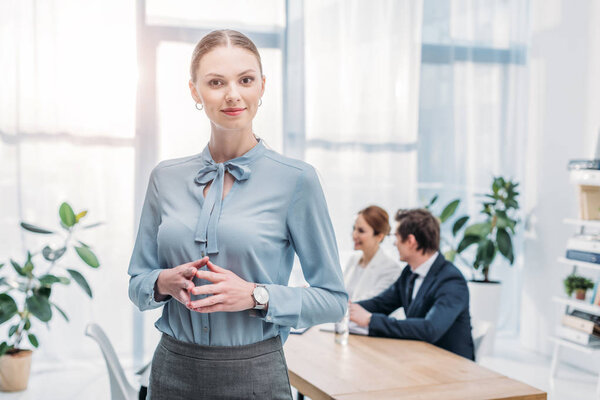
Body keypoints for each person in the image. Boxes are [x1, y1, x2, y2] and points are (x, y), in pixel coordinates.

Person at [128, 29, 347, 400]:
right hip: (172, 370)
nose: (233, 94)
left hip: (256, 374)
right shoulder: (164, 177)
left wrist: (256, 295)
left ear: (262, 86)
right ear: (195, 91)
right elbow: (137, 284)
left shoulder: (297, 181)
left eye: (245, 80)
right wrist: (164, 282)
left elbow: (334, 300)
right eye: (216, 82)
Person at [349, 208, 475, 360]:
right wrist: (345, 308)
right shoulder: (409, 273)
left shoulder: (451, 280)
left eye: (396, 237)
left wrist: (370, 320)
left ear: (410, 241)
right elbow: (381, 303)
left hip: (451, 366)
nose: (394, 244)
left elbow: (430, 328)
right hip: (420, 358)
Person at [343, 205, 401, 302]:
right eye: (354, 229)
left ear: (379, 236)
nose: (354, 235)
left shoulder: (391, 270)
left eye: (361, 231)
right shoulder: (353, 260)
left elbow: (371, 304)